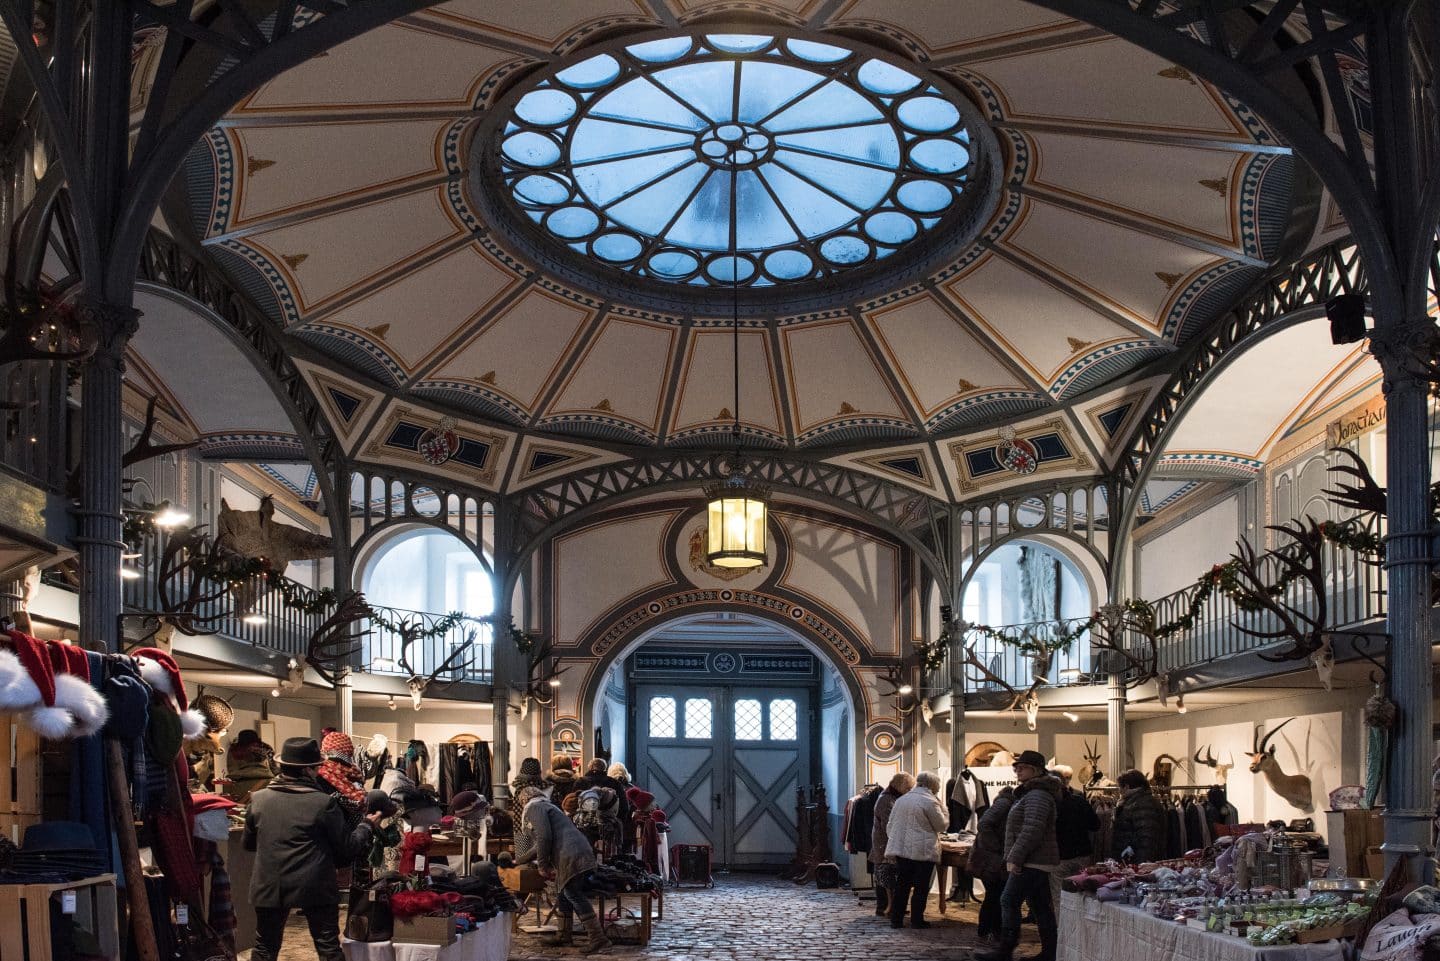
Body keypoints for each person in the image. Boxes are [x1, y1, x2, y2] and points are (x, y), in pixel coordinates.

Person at [244, 737, 382, 961]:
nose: (320, 771)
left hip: (270, 884)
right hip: (315, 884)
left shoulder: (258, 800)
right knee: (328, 948)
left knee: (264, 948)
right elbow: (347, 849)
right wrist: (367, 825)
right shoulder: (323, 803)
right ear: (307, 770)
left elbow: (249, 845)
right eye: (317, 767)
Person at [977, 750, 1061, 961]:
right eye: (1017, 767)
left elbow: (1032, 829)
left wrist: (1015, 857)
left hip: (1033, 860)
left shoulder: (1038, 794)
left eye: (1022, 767)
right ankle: (1050, 953)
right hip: (1034, 859)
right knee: (1040, 906)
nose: (1017, 770)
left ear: (1036, 770)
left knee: (1008, 900)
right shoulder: (1031, 793)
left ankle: (1005, 950)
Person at [514, 785, 611, 954]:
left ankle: (598, 938)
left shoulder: (535, 807)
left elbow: (544, 837)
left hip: (570, 853)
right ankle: (563, 934)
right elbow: (540, 843)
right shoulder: (549, 806)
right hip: (577, 850)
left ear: (524, 799)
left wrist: (542, 865)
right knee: (564, 892)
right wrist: (520, 860)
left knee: (572, 893)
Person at [883, 770, 947, 929]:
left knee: (902, 885)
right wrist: (943, 808)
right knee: (921, 886)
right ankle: (917, 920)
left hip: (902, 850)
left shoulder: (901, 800)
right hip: (922, 851)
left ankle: (896, 920)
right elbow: (942, 825)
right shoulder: (930, 801)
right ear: (934, 786)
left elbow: (890, 826)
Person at [969, 785, 1015, 944]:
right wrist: (996, 846)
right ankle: (990, 929)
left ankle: (987, 928)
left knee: (994, 894)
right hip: (992, 859)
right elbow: (983, 824)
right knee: (995, 893)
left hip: (991, 857)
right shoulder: (1005, 803)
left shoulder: (1004, 803)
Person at [1050, 764, 1099, 909]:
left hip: (1060, 858)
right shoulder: (1079, 800)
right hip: (1082, 854)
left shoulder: (1051, 804)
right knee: (1083, 895)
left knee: (1060, 897)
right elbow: (1095, 825)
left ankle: (1063, 930)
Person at [869, 772, 913, 917]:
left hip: (886, 843)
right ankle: (883, 907)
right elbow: (890, 825)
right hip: (883, 844)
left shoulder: (890, 797)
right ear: (901, 786)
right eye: (908, 789)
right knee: (883, 876)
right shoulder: (886, 800)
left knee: (887, 876)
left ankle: (891, 905)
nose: (908, 792)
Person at [1111, 769, 1165, 863]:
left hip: (1137, 862)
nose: (1118, 791)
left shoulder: (1142, 804)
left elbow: (1147, 838)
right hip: (1130, 859)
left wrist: (1141, 866)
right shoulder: (1133, 801)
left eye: (1119, 787)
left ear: (1126, 786)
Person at [226, 728, 278, 802]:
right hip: (264, 780)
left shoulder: (235, 750)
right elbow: (273, 768)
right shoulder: (266, 748)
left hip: (239, 783)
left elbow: (231, 768)